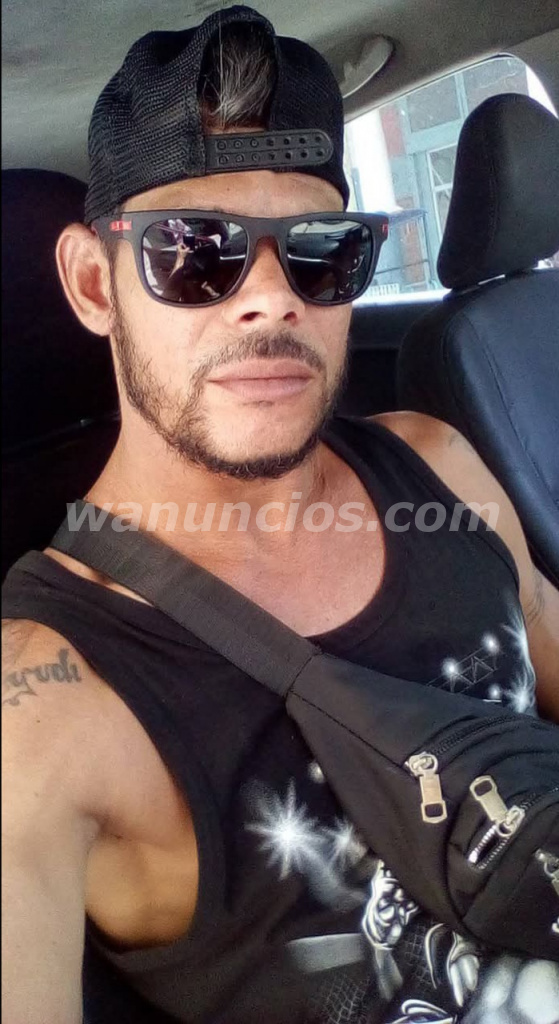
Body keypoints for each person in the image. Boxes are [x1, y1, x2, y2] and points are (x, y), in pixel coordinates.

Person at [2, 7, 559, 1024]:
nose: (271, 299)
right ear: (92, 283)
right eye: (193, 250)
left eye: (321, 250)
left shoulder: (439, 466)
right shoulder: (43, 703)